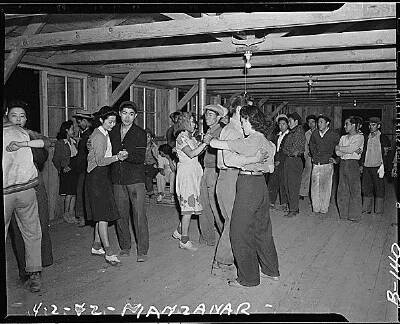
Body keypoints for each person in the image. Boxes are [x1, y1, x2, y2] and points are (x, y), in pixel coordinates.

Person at [210, 105, 279, 288]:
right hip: (261, 186)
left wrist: (212, 139)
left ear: (249, 121)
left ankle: (248, 278)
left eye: (243, 122)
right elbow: (270, 168)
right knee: (262, 229)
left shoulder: (250, 140)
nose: (242, 126)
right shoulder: (268, 142)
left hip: (247, 186)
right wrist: (256, 160)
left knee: (238, 232)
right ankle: (271, 271)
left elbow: (216, 146)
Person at [6, 101, 53, 284]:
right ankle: (24, 270)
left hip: (32, 186)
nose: (18, 119)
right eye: (14, 115)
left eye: (22, 116)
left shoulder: (30, 135)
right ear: (7, 115)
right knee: (18, 231)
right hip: (9, 189)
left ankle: (37, 269)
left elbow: (44, 151)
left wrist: (25, 144)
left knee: (37, 226)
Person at [213, 94, 252, 276]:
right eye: (247, 109)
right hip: (229, 177)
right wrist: (252, 160)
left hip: (233, 177)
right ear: (238, 109)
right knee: (233, 221)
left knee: (234, 221)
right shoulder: (232, 131)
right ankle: (222, 262)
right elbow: (226, 161)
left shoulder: (238, 129)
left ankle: (228, 258)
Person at [86, 106, 128, 266]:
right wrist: (118, 157)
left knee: (101, 212)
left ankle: (97, 245)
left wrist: (117, 156)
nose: (112, 125)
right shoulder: (98, 136)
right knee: (102, 216)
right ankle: (109, 252)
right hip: (96, 177)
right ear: (101, 120)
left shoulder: (104, 133)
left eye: (114, 122)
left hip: (102, 176)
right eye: (110, 122)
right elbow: (100, 161)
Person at [108, 101, 149, 262]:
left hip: (135, 179)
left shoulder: (140, 133)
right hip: (117, 179)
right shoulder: (111, 132)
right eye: (124, 113)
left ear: (135, 116)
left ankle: (142, 250)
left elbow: (140, 157)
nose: (127, 117)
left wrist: (128, 155)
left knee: (139, 215)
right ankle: (125, 246)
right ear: (119, 113)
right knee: (121, 214)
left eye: (131, 114)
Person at [172, 112, 208, 251]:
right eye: (192, 122)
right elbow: (192, 154)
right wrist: (204, 143)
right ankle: (184, 240)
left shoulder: (189, 137)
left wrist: (203, 143)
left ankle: (178, 231)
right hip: (186, 175)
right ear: (185, 123)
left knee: (191, 204)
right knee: (187, 209)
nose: (195, 125)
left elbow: (197, 151)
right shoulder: (181, 138)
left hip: (193, 173)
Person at [198, 104, 228, 246]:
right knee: (205, 204)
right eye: (206, 114)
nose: (206, 117)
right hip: (207, 169)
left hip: (214, 171)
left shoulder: (220, 131)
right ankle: (208, 236)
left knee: (215, 205)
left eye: (210, 115)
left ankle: (224, 238)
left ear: (218, 117)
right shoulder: (210, 130)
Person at [309, 115, 340, 214]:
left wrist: (336, 159)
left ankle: (324, 208)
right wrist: (314, 155)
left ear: (327, 123)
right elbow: (311, 145)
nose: (319, 124)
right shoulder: (315, 134)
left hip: (327, 164)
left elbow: (340, 147)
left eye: (321, 122)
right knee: (314, 186)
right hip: (316, 163)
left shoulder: (333, 134)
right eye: (318, 122)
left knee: (325, 187)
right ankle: (316, 208)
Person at [359, 117, 391, 214]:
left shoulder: (383, 138)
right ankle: (366, 209)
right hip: (366, 166)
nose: (371, 127)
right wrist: (361, 164)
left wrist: (384, 166)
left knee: (379, 188)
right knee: (366, 188)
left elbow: (387, 154)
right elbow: (363, 153)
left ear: (379, 126)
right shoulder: (366, 137)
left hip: (378, 167)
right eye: (370, 125)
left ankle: (378, 210)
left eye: (373, 125)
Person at [335, 116, 364, 222]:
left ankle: (354, 215)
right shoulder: (343, 137)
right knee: (342, 189)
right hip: (342, 164)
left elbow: (349, 149)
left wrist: (341, 148)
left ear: (353, 125)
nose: (344, 126)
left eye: (346, 124)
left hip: (353, 164)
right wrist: (347, 150)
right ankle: (343, 214)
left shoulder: (359, 137)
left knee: (354, 189)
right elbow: (337, 152)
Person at [52, 120, 79, 224]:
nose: (74, 130)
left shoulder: (73, 142)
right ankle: (66, 214)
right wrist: (62, 168)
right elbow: (55, 159)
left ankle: (71, 214)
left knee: (74, 193)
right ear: (67, 130)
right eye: (72, 128)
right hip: (67, 171)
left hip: (74, 170)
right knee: (68, 193)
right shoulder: (60, 143)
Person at [281, 112, 306, 217]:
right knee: (288, 185)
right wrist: (286, 150)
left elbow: (294, 150)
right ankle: (293, 207)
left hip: (294, 161)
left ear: (296, 121)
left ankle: (293, 209)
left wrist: (286, 150)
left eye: (290, 121)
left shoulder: (298, 132)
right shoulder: (292, 132)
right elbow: (284, 148)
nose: (289, 123)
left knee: (293, 186)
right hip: (289, 160)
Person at [72, 110, 94, 227]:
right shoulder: (84, 134)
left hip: (86, 168)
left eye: (80, 121)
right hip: (83, 168)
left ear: (86, 121)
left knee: (82, 192)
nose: (79, 124)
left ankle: (83, 217)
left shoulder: (89, 135)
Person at [268, 114, 289, 210]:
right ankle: (270, 202)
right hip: (275, 161)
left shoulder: (289, 136)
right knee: (273, 181)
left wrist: (280, 160)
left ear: (287, 124)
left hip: (284, 162)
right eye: (280, 124)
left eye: (283, 124)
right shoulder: (277, 136)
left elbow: (286, 150)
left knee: (283, 182)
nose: (281, 126)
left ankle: (284, 203)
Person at [299, 115, 316, 200]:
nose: (311, 124)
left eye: (313, 122)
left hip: (317, 156)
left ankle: (313, 194)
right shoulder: (307, 133)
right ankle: (303, 192)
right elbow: (305, 145)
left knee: (315, 175)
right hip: (309, 156)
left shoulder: (319, 132)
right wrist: (306, 155)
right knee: (306, 174)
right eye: (309, 122)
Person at [144, 128, 159, 197]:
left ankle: (151, 192)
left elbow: (158, 158)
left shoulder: (154, 147)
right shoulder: (141, 147)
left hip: (153, 165)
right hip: (144, 165)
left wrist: (157, 164)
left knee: (148, 176)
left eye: (148, 137)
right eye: (144, 137)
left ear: (151, 138)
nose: (146, 139)